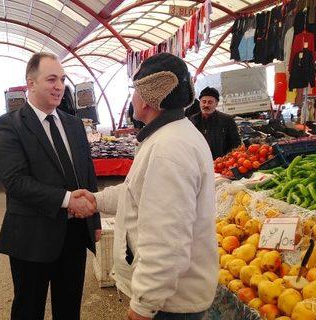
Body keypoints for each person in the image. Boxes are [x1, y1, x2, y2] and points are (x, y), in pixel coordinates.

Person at [75, 53, 219, 320]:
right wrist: (97, 200)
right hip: (170, 297)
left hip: (170, 305)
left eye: (135, 90)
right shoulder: (170, 136)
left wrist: (143, 305)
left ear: (149, 97)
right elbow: (138, 193)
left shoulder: (169, 148)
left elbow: (167, 239)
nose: (132, 99)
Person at [0, 52, 102, 320]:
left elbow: (87, 173)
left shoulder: (74, 123)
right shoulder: (9, 125)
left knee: (69, 309)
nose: (59, 86)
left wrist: (94, 219)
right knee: (28, 309)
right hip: (33, 236)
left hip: (74, 233)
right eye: (51, 79)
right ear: (30, 83)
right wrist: (67, 200)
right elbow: (16, 182)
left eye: (62, 79)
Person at [189, 87, 241, 159]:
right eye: (203, 101)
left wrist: (226, 159)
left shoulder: (227, 120)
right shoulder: (192, 120)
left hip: (222, 164)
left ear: (216, 104)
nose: (206, 105)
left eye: (210, 102)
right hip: (202, 163)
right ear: (200, 102)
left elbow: (236, 144)